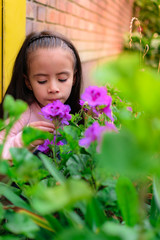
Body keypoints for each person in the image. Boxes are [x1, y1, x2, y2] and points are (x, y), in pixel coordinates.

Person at [0, 30, 83, 159]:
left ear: (74, 78)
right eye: (42, 81)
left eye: (62, 79)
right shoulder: (24, 114)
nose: (53, 88)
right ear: (28, 82)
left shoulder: (79, 112)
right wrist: (24, 140)